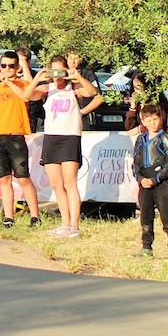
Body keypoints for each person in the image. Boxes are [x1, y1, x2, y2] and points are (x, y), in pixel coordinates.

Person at [23, 55, 102, 239]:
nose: (57, 76)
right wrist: (38, 78)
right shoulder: (47, 89)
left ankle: (74, 225)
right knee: (56, 183)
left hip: (69, 137)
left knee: (69, 182)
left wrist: (76, 76)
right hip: (51, 138)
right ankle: (65, 223)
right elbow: (26, 96)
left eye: (61, 70)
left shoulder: (73, 88)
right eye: (54, 71)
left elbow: (92, 93)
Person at [0, 50, 42, 229]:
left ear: (17, 67)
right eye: (4, 65)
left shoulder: (23, 84)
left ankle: (35, 216)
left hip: (15, 135)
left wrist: (16, 74)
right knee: (4, 179)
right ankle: (9, 217)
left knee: (23, 177)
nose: (7, 69)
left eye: (11, 66)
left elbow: (33, 93)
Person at [132, 103, 168, 259]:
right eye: (149, 119)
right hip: (144, 182)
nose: (153, 122)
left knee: (167, 214)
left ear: (161, 119)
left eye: (155, 119)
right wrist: (140, 179)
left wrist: (156, 179)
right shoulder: (141, 139)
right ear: (143, 121)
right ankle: (146, 247)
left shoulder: (165, 137)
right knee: (146, 215)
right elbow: (135, 162)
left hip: (160, 182)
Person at [65, 51, 101, 129]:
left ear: (80, 60)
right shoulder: (62, 73)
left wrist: (81, 112)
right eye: (70, 58)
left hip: (85, 118)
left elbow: (99, 97)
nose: (73, 62)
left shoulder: (88, 73)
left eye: (76, 58)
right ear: (66, 58)